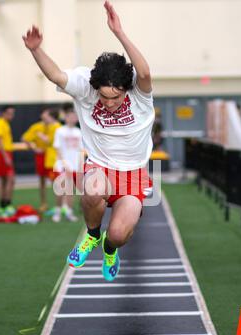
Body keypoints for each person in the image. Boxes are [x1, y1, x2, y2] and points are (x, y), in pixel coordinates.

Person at [23, 0, 154, 281]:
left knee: (119, 234)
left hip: (134, 174)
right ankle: (92, 235)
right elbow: (56, 74)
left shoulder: (140, 94)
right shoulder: (85, 86)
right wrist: (36, 50)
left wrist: (119, 32)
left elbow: (143, 73)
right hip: (100, 166)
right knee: (92, 189)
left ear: (126, 90)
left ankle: (109, 247)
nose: (109, 103)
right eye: (104, 97)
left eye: (116, 97)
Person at [21, 108, 56, 212]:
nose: (44, 116)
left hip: (51, 156)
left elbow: (51, 141)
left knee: (55, 181)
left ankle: (57, 206)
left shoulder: (55, 126)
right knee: (42, 181)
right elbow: (24, 138)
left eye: (46, 115)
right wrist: (34, 149)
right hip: (41, 157)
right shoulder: (37, 127)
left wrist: (41, 136)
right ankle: (43, 204)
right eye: (44, 114)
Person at [53, 104, 83, 222]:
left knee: (70, 191)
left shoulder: (78, 132)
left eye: (74, 116)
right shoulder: (60, 131)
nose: (72, 118)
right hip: (62, 166)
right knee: (61, 190)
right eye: (70, 116)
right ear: (65, 118)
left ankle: (69, 212)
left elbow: (81, 150)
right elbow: (57, 148)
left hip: (75, 166)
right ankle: (58, 212)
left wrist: (80, 165)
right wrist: (64, 163)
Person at [0, 105, 16, 217]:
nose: (12, 116)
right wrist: (6, 156)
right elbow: (0, 141)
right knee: (9, 179)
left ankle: (3, 205)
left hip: (5, 153)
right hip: (2, 153)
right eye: (10, 113)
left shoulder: (5, 123)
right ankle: (6, 205)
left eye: (13, 113)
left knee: (5, 180)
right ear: (3, 113)